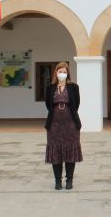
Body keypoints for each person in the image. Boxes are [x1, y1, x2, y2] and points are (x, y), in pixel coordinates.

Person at [45, 61, 83, 190]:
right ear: (56, 72)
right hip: (54, 123)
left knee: (70, 150)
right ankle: (57, 181)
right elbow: (47, 104)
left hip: (70, 122)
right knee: (56, 150)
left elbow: (76, 104)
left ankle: (69, 180)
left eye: (64, 72)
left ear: (68, 74)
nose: (62, 74)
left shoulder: (73, 87)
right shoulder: (50, 87)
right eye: (60, 71)